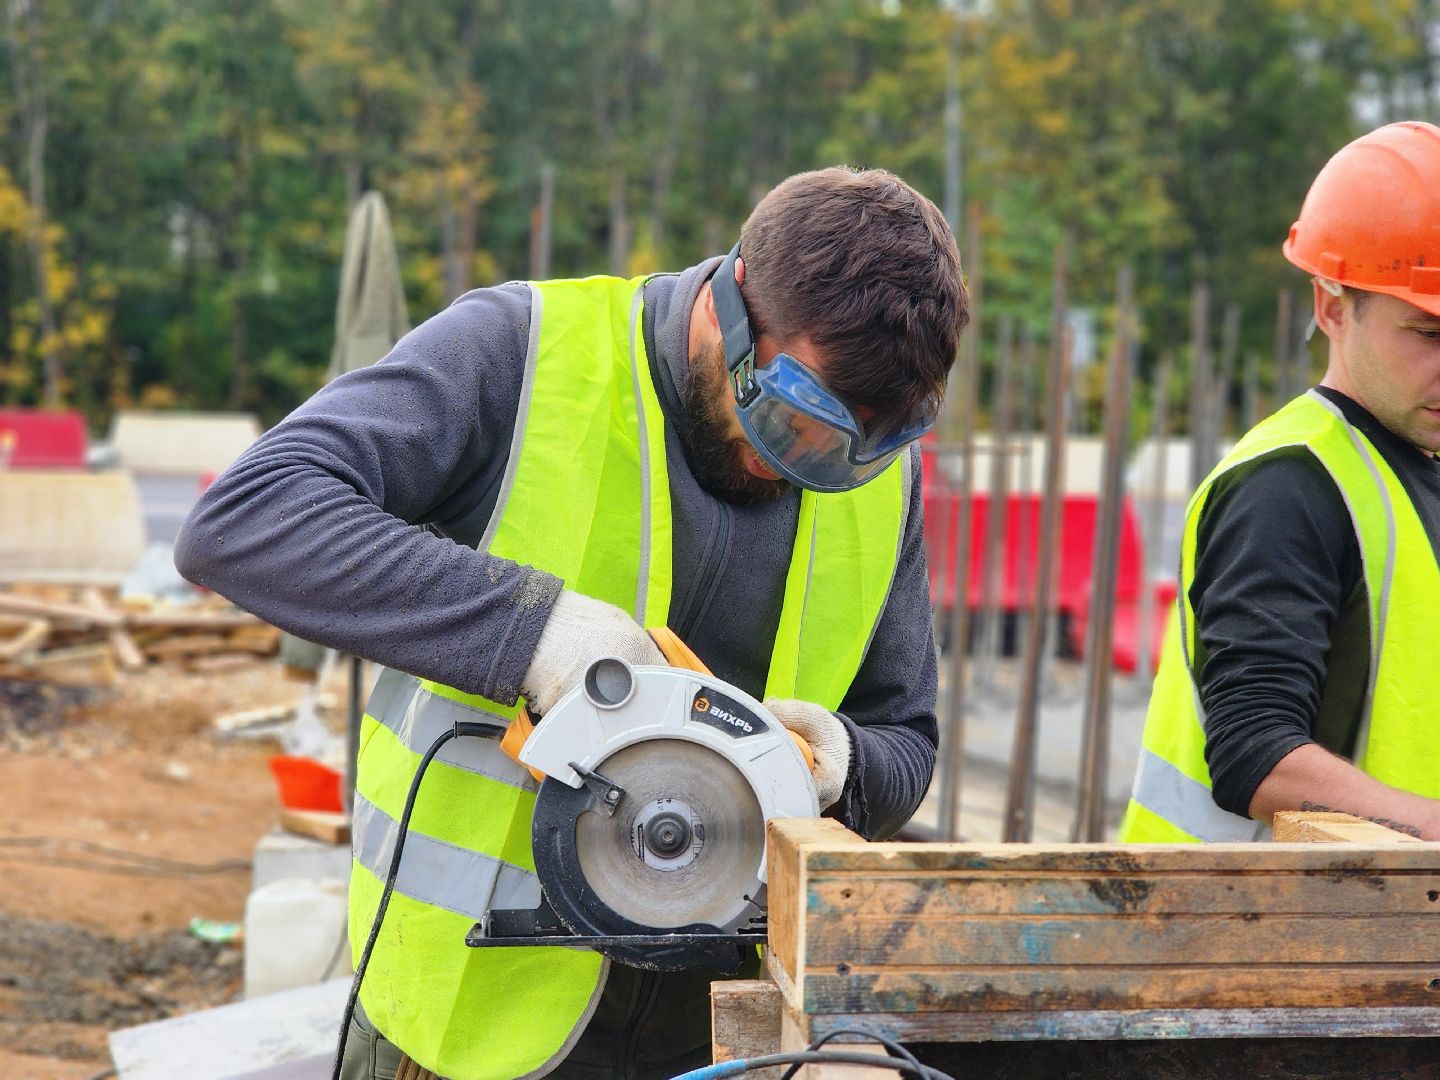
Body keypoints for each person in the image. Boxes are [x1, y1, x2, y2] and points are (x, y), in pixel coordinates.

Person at [175, 166, 968, 1080]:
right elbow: (248, 517)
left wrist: (837, 764)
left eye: (861, 451)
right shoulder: (524, 352)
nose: (809, 468)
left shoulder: (879, 484)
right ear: (730, 305)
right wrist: (536, 634)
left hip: (724, 1040)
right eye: (795, 421)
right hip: (465, 1029)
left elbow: (905, 740)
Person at [1120, 120, 1440, 845]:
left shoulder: (1412, 470)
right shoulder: (1289, 484)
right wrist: (1429, 824)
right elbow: (1256, 754)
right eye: (1428, 334)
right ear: (1333, 307)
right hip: (1250, 911)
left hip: (1383, 911)